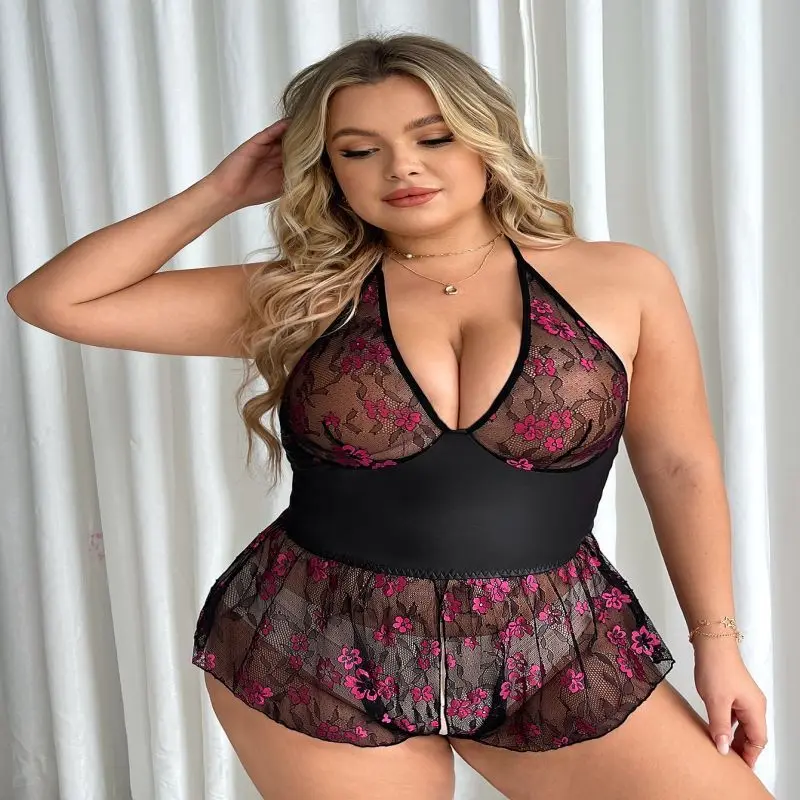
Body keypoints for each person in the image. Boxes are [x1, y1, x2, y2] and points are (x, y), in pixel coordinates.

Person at [7, 31, 773, 800]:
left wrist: (718, 645)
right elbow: (52, 300)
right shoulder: (302, 294)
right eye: (358, 150)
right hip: (318, 647)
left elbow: (679, 465)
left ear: (486, 138)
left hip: (551, 648)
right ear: (327, 170)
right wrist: (220, 191)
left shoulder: (623, 280)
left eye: (432, 137)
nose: (401, 167)